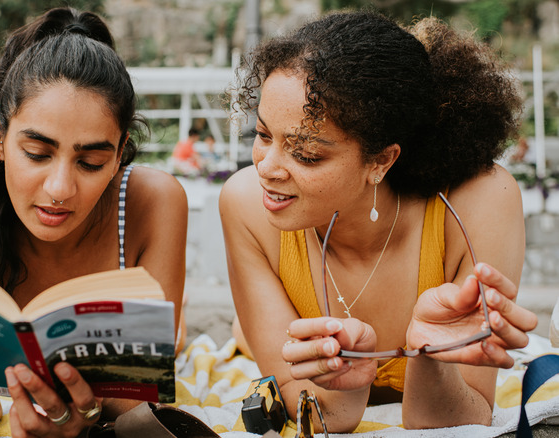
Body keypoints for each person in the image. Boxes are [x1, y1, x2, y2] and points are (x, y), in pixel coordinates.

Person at [219, 11, 538, 432]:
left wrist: (431, 358)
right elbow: (315, 415)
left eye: (306, 154)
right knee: (244, 334)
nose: (267, 168)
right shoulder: (247, 204)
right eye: (262, 135)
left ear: (381, 160)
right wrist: (347, 385)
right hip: (264, 334)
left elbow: (464, 420)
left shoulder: (480, 202)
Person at [0, 8, 188, 437]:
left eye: (91, 162)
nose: (60, 188)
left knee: (178, 335)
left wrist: (87, 413)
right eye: (37, 154)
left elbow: (146, 390)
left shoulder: (153, 203)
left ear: (119, 153)